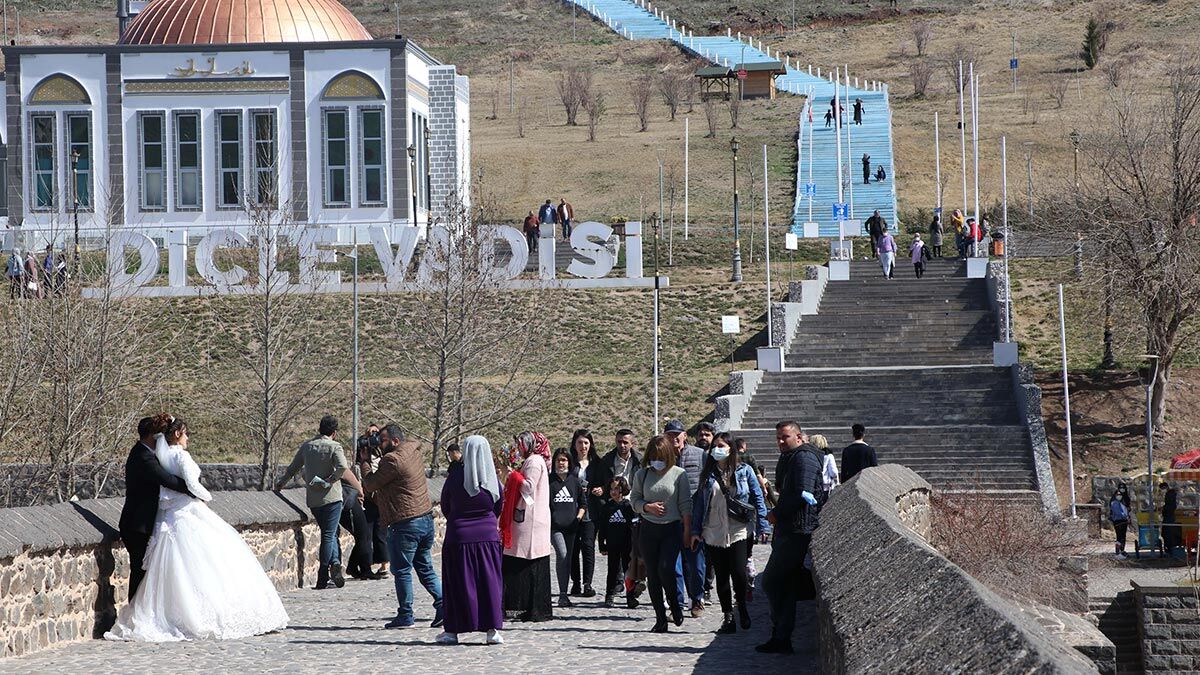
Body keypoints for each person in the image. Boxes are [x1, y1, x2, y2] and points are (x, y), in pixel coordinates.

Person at [106, 415, 288, 641]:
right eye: (186, 433)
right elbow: (170, 481)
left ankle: (147, 612)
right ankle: (140, 614)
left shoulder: (158, 455)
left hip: (160, 518)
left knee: (159, 571)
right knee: (151, 571)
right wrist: (200, 494)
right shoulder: (147, 456)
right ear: (176, 434)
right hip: (142, 523)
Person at [361, 424, 443, 629]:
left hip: (405, 523)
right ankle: (444, 606)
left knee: (402, 570)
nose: (379, 443)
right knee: (425, 568)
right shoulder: (412, 452)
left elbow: (370, 484)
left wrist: (364, 462)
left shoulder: (392, 460)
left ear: (396, 442)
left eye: (383, 440)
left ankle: (406, 615)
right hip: (425, 520)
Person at [690, 432, 768, 635]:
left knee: (739, 572)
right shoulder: (707, 474)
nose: (717, 449)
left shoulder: (745, 470)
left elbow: (757, 496)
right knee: (722, 576)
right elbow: (699, 504)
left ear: (731, 448)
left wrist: (763, 524)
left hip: (738, 529)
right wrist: (695, 531)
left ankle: (741, 605)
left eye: (721, 445)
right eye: (714, 446)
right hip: (714, 531)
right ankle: (728, 617)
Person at [757, 421, 823, 655]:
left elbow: (802, 495)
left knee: (772, 581)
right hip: (790, 528)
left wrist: (776, 513)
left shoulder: (803, 458)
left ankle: (782, 634)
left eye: (785, 437)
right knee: (783, 584)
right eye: (778, 438)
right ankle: (781, 637)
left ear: (799, 437)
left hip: (798, 529)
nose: (780, 441)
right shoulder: (793, 457)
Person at [276, 414, 364, 591]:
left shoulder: (307, 446)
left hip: (314, 500)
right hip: (332, 497)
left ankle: (335, 562)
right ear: (334, 432)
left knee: (329, 533)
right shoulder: (334, 446)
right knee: (328, 534)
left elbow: (293, 467)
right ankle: (324, 575)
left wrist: (279, 484)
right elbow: (341, 468)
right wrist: (331, 479)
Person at [118, 416, 197, 601]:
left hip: (143, 523)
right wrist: (192, 489)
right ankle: (135, 612)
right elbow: (166, 480)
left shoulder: (147, 454)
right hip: (137, 525)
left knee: (146, 572)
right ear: (152, 436)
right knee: (140, 571)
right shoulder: (143, 456)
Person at [436, 435, 505, 645]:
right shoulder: (491, 478)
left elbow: (445, 504)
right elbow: (498, 505)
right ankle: (491, 630)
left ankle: (453, 631)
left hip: (459, 537)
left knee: (458, 584)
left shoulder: (456, 476)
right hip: (487, 537)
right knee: (489, 583)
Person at [631, 435, 692, 633]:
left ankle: (675, 605)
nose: (658, 460)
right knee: (653, 574)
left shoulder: (679, 474)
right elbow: (634, 501)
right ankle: (660, 618)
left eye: (661, 456)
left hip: (671, 528)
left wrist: (687, 530)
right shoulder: (642, 474)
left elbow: (685, 504)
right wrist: (647, 507)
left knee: (666, 569)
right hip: (648, 528)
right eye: (654, 456)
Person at [500, 431, 554, 622]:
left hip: (530, 520)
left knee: (521, 563)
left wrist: (512, 474)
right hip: (532, 517)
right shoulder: (535, 460)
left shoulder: (533, 462)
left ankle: (520, 609)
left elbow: (528, 487)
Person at [666, 419, 707, 617]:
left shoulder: (699, 455)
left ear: (684, 435)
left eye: (677, 434)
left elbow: (707, 486)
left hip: (694, 519)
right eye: (670, 434)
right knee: (675, 566)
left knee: (696, 565)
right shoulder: (662, 457)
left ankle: (697, 599)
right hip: (671, 519)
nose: (674, 438)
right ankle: (678, 604)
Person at [549, 448, 585, 608]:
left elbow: (583, 503)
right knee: (562, 555)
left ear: (569, 463)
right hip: (554, 527)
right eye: (558, 460)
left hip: (572, 527)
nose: (561, 463)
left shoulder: (575, 481)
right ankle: (562, 594)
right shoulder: (549, 481)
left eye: (564, 460)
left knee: (568, 559)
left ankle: (564, 594)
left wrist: (578, 518)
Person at [569, 428, 601, 598]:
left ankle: (587, 582)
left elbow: (605, 483)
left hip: (590, 510)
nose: (583, 446)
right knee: (573, 548)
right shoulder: (569, 463)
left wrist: (600, 489)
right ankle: (575, 582)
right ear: (574, 444)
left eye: (586, 443)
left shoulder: (597, 463)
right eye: (580, 442)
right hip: (572, 511)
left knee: (588, 546)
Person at [356, 423, 389, 578]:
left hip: (382, 495)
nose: (374, 437)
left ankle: (384, 565)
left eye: (376, 433)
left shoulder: (384, 451)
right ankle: (365, 566)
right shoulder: (364, 451)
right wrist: (365, 443)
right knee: (366, 532)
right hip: (369, 496)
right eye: (371, 434)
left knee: (381, 532)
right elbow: (359, 466)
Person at [598, 476, 637, 608]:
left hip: (627, 544)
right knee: (612, 570)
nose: (613, 491)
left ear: (623, 489)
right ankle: (609, 595)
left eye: (616, 489)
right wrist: (601, 544)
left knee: (629, 571)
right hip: (612, 544)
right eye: (611, 489)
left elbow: (634, 526)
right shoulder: (606, 507)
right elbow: (602, 527)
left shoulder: (628, 507)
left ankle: (630, 596)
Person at [1109, 483, 1131, 559]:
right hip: (1118, 520)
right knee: (1119, 536)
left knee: (1123, 536)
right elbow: (1117, 512)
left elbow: (1127, 509)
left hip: (1124, 520)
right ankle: (1118, 552)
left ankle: (1122, 550)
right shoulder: (1114, 502)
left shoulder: (1125, 498)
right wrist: (1125, 516)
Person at [1161, 483, 1180, 557]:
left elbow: (1170, 506)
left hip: (1169, 516)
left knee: (1167, 533)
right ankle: (1169, 548)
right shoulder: (1171, 494)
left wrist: (1164, 509)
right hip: (1169, 516)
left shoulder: (1170, 494)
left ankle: (1169, 548)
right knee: (1167, 533)